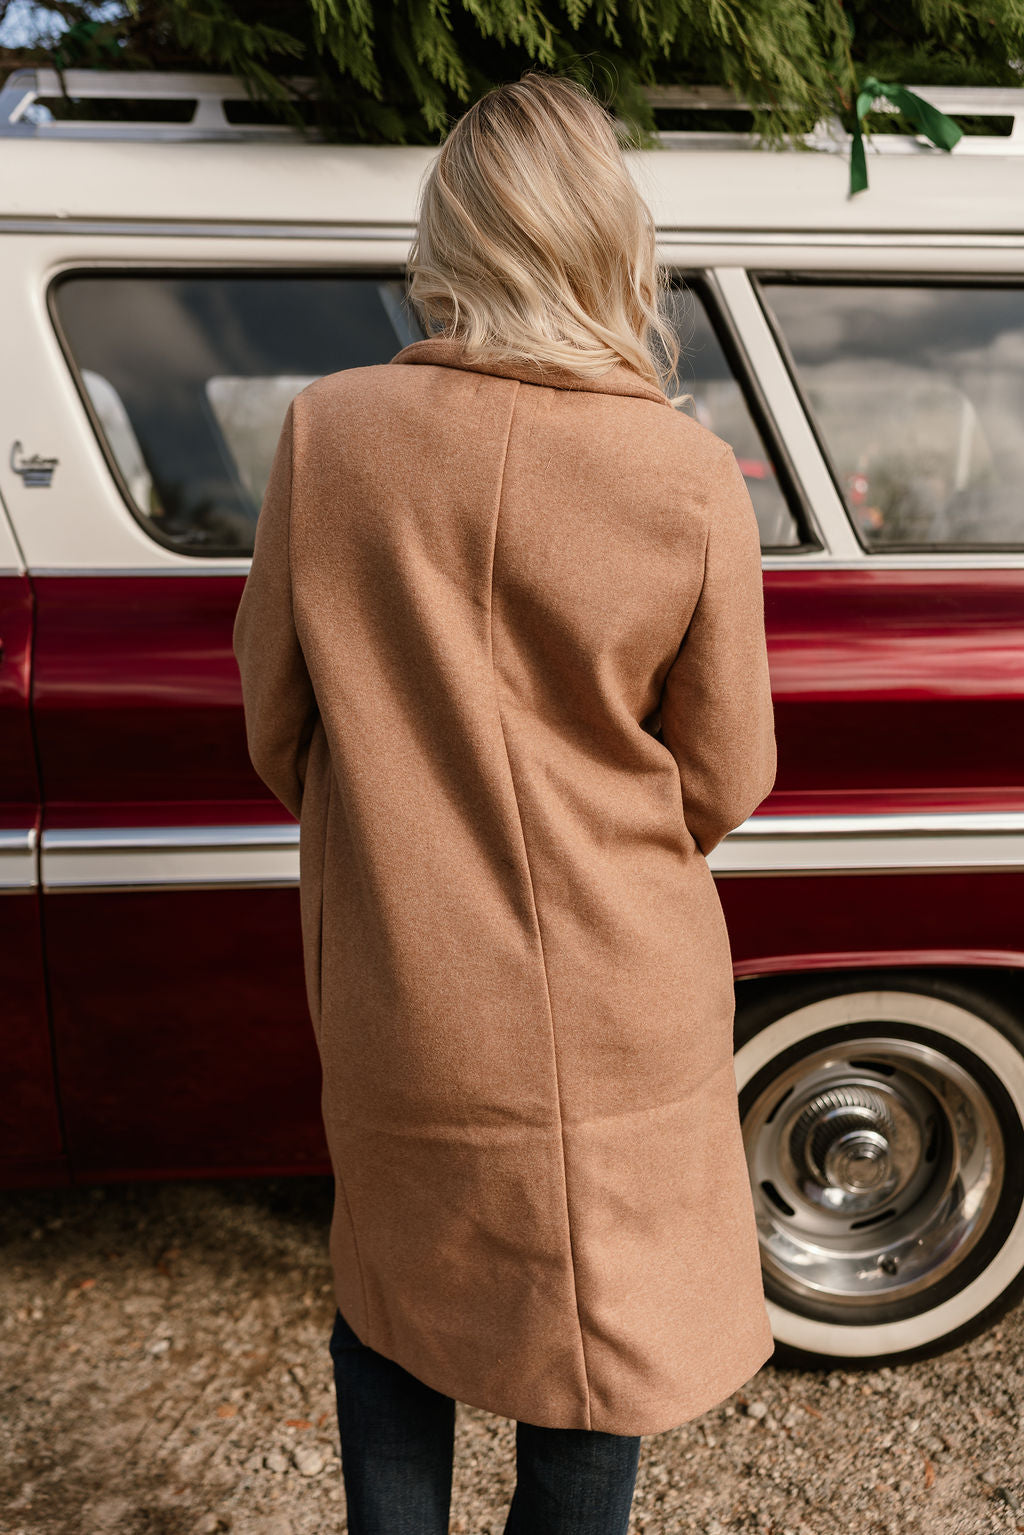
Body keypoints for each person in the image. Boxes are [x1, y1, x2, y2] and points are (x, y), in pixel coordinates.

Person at [233, 69, 777, 1535]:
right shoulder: (683, 470)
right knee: (594, 1356)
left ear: (453, 235)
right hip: (624, 1001)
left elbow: (276, 726)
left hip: (407, 990)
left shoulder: (327, 435)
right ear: (606, 233)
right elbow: (731, 774)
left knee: (393, 1307)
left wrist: (398, 831)